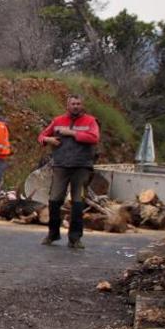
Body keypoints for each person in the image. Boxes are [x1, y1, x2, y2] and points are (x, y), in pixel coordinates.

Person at [37, 94, 101, 249]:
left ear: (82, 105)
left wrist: (72, 133)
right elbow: (42, 136)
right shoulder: (58, 121)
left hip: (81, 166)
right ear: (67, 105)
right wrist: (48, 140)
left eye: (78, 103)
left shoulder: (90, 121)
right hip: (61, 165)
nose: (76, 106)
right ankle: (53, 233)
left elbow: (94, 138)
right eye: (73, 103)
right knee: (54, 200)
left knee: (77, 202)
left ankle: (75, 238)